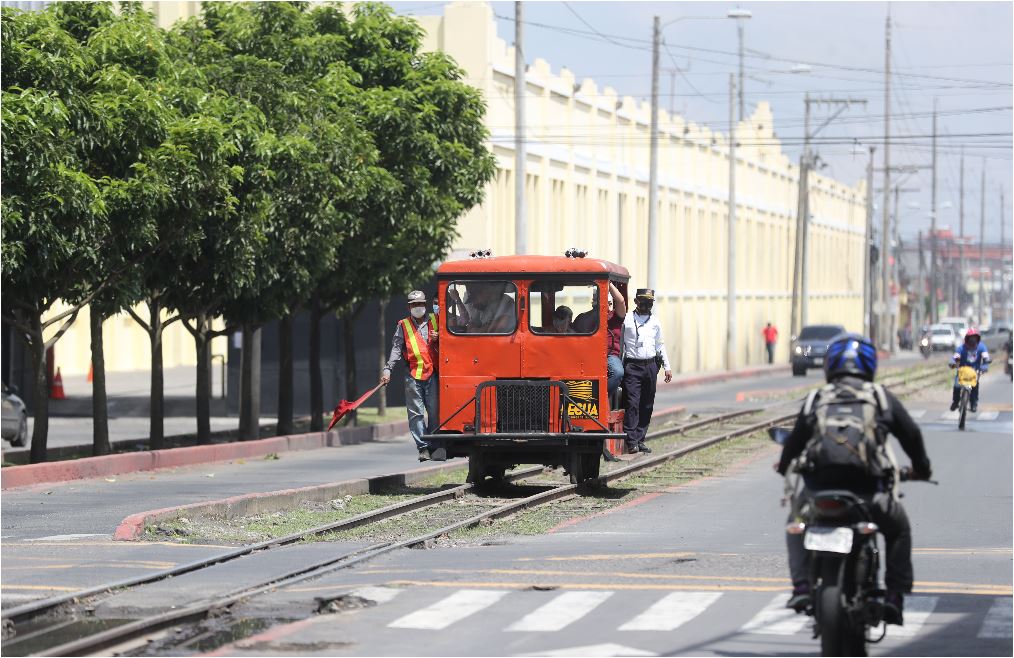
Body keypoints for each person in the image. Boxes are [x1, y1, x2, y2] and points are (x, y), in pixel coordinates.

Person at [776, 334, 932, 625]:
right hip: (869, 495)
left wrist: (784, 466)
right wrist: (922, 468)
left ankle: (801, 587)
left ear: (830, 366)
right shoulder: (880, 397)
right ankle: (894, 597)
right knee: (899, 531)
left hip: (818, 493)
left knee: (795, 524)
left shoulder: (816, 398)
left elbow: (793, 443)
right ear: (870, 365)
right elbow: (911, 435)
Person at [380, 291, 439, 462]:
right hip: (413, 375)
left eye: (420, 304)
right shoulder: (403, 325)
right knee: (415, 414)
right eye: (414, 304)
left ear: (425, 305)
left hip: (433, 373)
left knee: (435, 412)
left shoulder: (435, 321)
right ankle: (423, 448)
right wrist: (387, 369)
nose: (417, 307)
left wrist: (439, 337)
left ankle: (434, 444)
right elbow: (397, 348)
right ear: (409, 307)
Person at [620, 288, 673, 454]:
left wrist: (667, 367)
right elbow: (621, 344)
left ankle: (640, 438)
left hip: (650, 366)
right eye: (643, 301)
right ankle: (632, 441)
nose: (646, 305)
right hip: (632, 366)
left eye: (649, 302)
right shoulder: (627, 319)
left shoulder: (655, 322)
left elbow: (660, 345)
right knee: (632, 403)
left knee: (647, 404)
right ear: (636, 302)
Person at [573, 283, 627, 397]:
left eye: (606, 302)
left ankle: (600, 397)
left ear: (610, 303)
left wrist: (608, 283)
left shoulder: (616, 316)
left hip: (610, 355)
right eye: (597, 299)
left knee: (617, 372)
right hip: (587, 355)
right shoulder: (583, 317)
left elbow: (621, 301)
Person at [949, 327, 990, 413]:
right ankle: (955, 402)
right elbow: (955, 357)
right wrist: (953, 363)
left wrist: (985, 366)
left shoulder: (981, 347)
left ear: (977, 338)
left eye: (974, 338)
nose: (972, 340)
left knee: (975, 386)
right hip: (962, 372)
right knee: (957, 385)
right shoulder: (962, 348)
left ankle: (973, 403)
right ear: (967, 339)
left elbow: (986, 357)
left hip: (975, 372)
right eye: (971, 338)